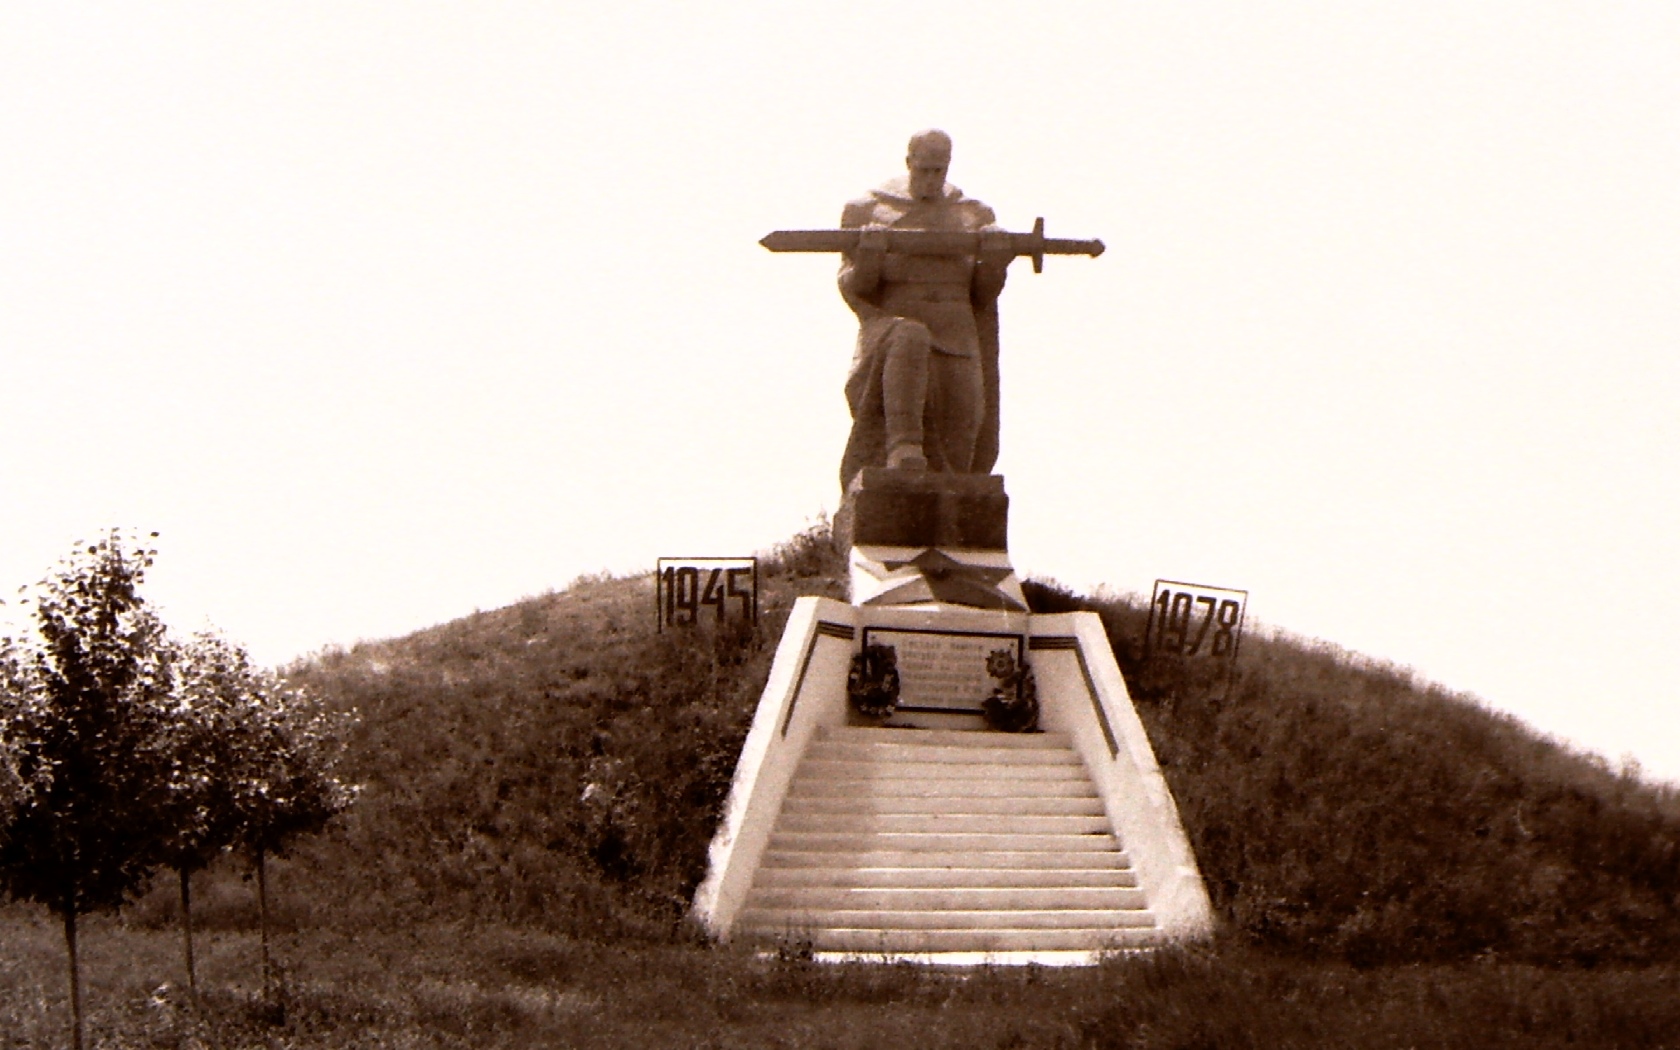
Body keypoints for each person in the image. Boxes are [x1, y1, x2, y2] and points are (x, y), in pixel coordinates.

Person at [837, 129, 1011, 488]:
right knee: (910, 334)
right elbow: (855, 286)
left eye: (939, 170)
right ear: (909, 163)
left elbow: (982, 294)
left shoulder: (973, 214)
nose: (932, 179)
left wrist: (994, 262)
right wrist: (869, 257)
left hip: (958, 337)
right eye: (925, 169)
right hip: (895, 335)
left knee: (961, 462)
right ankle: (903, 447)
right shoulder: (869, 209)